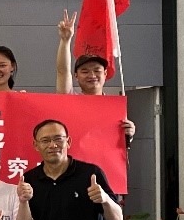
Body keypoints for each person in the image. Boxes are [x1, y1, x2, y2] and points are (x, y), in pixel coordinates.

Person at [54, 11, 136, 144]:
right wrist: (65, 41)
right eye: (85, 71)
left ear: (105, 74)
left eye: (97, 70)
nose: (92, 75)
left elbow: (118, 145)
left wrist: (129, 134)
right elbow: (62, 71)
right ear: (76, 76)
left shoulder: (114, 108)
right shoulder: (69, 100)